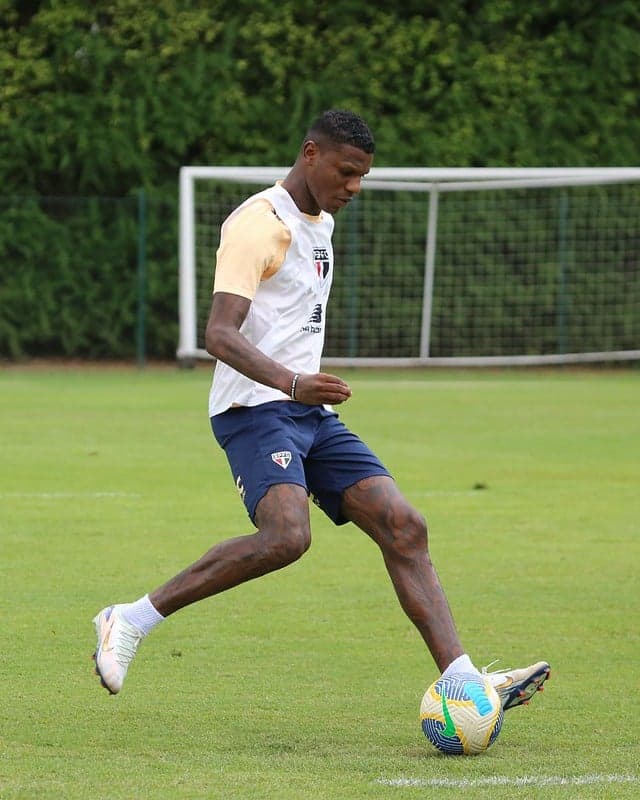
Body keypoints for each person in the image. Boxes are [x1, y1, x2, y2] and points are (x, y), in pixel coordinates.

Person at [92, 110, 550, 711]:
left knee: (404, 526)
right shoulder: (258, 225)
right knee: (286, 535)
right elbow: (219, 334)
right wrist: (292, 381)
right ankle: (129, 619)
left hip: (307, 415)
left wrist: (303, 392)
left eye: (363, 176)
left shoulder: (322, 222)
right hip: (254, 409)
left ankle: (462, 679)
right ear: (311, 152)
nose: (355, 187)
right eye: (347, 172)